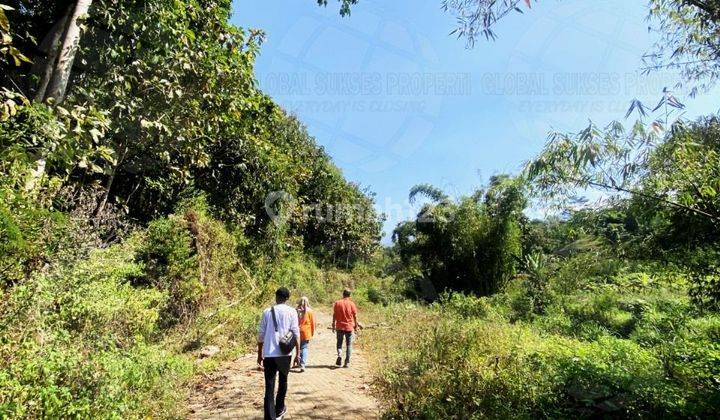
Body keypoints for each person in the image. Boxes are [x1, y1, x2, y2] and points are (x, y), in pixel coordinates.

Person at [257, 287, 301, 420]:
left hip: (269, 354)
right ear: (287, 298)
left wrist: (259, 353)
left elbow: (261, 335)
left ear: (276, 297)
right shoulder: (292, 312)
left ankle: (270, 417)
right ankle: (279, 409)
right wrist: (298, 354)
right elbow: (296, 333)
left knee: (269, 387)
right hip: (285, 355)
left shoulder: (266, 312)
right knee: (283, 382)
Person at [332, 289, 358, 368]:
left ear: (343, 294)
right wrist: (356, 325)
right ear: (350, 295)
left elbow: (334, 315)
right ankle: (347, 363)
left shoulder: (337, 303)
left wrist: (333, 324)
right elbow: (355, 316)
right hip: (349, 327)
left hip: (339, 326)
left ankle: (339, 354)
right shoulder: (352, 304)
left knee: (339, 343)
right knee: (348, 345)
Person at [296, 296, 316, 372]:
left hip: (297, 331)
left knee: (298, 348)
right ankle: (302, 364)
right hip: (306, 332)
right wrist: (312, 332)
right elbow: (313, 323)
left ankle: (298, 361)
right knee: (304, 348)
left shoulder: (296, 310)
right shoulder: (310, 311)